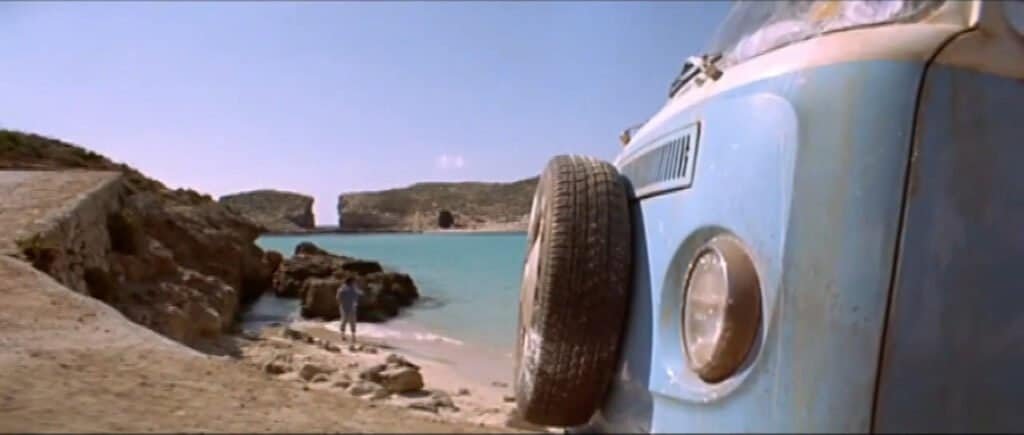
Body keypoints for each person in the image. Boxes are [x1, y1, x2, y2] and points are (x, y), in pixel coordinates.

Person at [336, 277, 362, 343]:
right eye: (354, 282)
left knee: (345, 321)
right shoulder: (344, 289)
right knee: (350, 322)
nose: (355, 283)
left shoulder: (345, 289)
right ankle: (350, 336)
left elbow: (338, 298)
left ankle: (345, 336)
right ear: (350, 282)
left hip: (347, 307)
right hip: (347, 308)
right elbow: (338, 298)